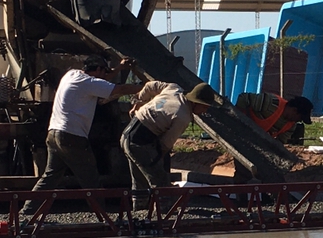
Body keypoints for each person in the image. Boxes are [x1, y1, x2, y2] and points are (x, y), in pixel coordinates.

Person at [33, 55, 141, 190]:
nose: (105, 75)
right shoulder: (89, 83)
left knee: (49, 178)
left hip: (53, 134)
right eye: (104, 71)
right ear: (98, 69)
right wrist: (148, 87)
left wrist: (120, 67)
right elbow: (120, 89)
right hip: (72, 137)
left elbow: (103, 80)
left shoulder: (71, 74)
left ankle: (27, 211)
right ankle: (101, 210)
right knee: (91, 181)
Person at [121, 81, 217, 211]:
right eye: (204, 107)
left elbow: (150, 86)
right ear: (195, 102)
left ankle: (138, 212)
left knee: (140, 179)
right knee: (160, 181)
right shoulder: (182, 116)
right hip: (141, 141)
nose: (204, 111)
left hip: (127, 135)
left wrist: (139, 101)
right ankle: (163, 214)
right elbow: (165, 144)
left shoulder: (174, 88)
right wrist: (160, 164)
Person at [235, 92, 314, 145]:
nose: (299, 121)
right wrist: (240, 119)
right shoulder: (270, 103)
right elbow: (244, 98)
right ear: (294, 110)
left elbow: (279, 143)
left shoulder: (290, 127)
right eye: (300, 118)